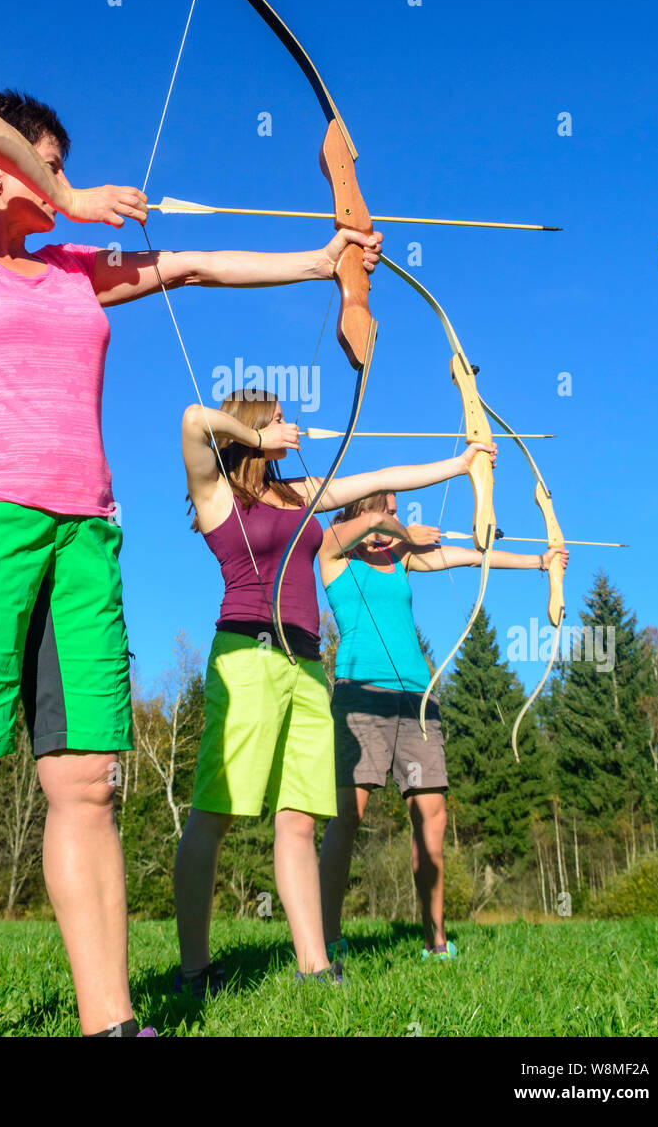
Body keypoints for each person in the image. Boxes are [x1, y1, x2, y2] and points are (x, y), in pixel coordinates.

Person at [0, 88, 380, 1039]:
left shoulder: (69, 273)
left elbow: (200, 264)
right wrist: (74, 190)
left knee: (86, 782)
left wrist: (324, 261)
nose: (55, 181)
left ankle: (110, 1022)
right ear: (2, 171)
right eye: (42, 161)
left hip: (86, 532)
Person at [173, 392, 494, 992]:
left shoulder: (301, 492)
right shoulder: (217, 492)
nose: (288, 428)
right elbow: (194, 419)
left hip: (306, 662)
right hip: (247, 656)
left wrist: (463, 463)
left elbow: (381, 477)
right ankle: (194, 970)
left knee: (298, 818)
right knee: (215, 814)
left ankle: (314, 966)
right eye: (275, 421)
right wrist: (257, 439)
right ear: (253, 430)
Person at [317, 491, 570, 960]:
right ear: (363, 509)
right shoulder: (331, 551)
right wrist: (399, 529)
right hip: (360, 699)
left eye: (397, 509)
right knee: (347, 815)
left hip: (417, 699)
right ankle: (327, 939)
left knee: (431, 817)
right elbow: (358, 527)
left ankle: (436, 942)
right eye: (388, 508)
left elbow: (469, 556)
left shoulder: (401, 559)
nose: (396, 515)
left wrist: (539, 561)